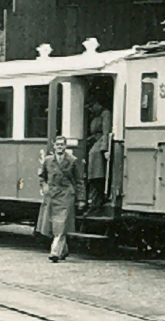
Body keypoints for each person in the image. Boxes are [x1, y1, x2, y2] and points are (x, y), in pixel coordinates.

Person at [35, 135, 85, 263]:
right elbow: (42, 176)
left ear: (65, 146)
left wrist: (81, 199)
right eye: (57, 145)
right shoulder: (47, 160)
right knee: (53, 224)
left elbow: (79, 181)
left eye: (62, 144)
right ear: (54, 146)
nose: (60, 147)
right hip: (52, 196)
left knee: (61, 224)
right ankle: (64, 250)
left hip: (66, 195)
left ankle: (55, 252)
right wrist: (44, 185)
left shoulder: (72, 160)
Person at [86, 100, 112, 209]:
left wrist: (105, 149)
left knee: (95, 162)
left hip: (100, 142)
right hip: (95, 140)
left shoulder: (105, 114)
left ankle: (97, 198)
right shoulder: (97, 115)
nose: (91, 109)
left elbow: (106, 132)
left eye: (92, 106)